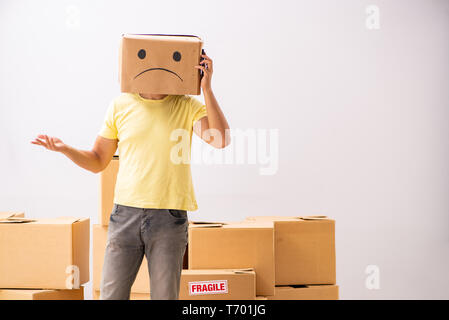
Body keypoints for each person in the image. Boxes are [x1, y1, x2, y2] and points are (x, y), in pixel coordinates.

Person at [31, 50, 230, 300]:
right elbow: (97, 161)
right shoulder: (120, 105)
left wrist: (207, 89)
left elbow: (220, 140)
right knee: (111, 296)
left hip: (169, 219)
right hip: (124, 215)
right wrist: (65, 149)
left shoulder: (187, 106)